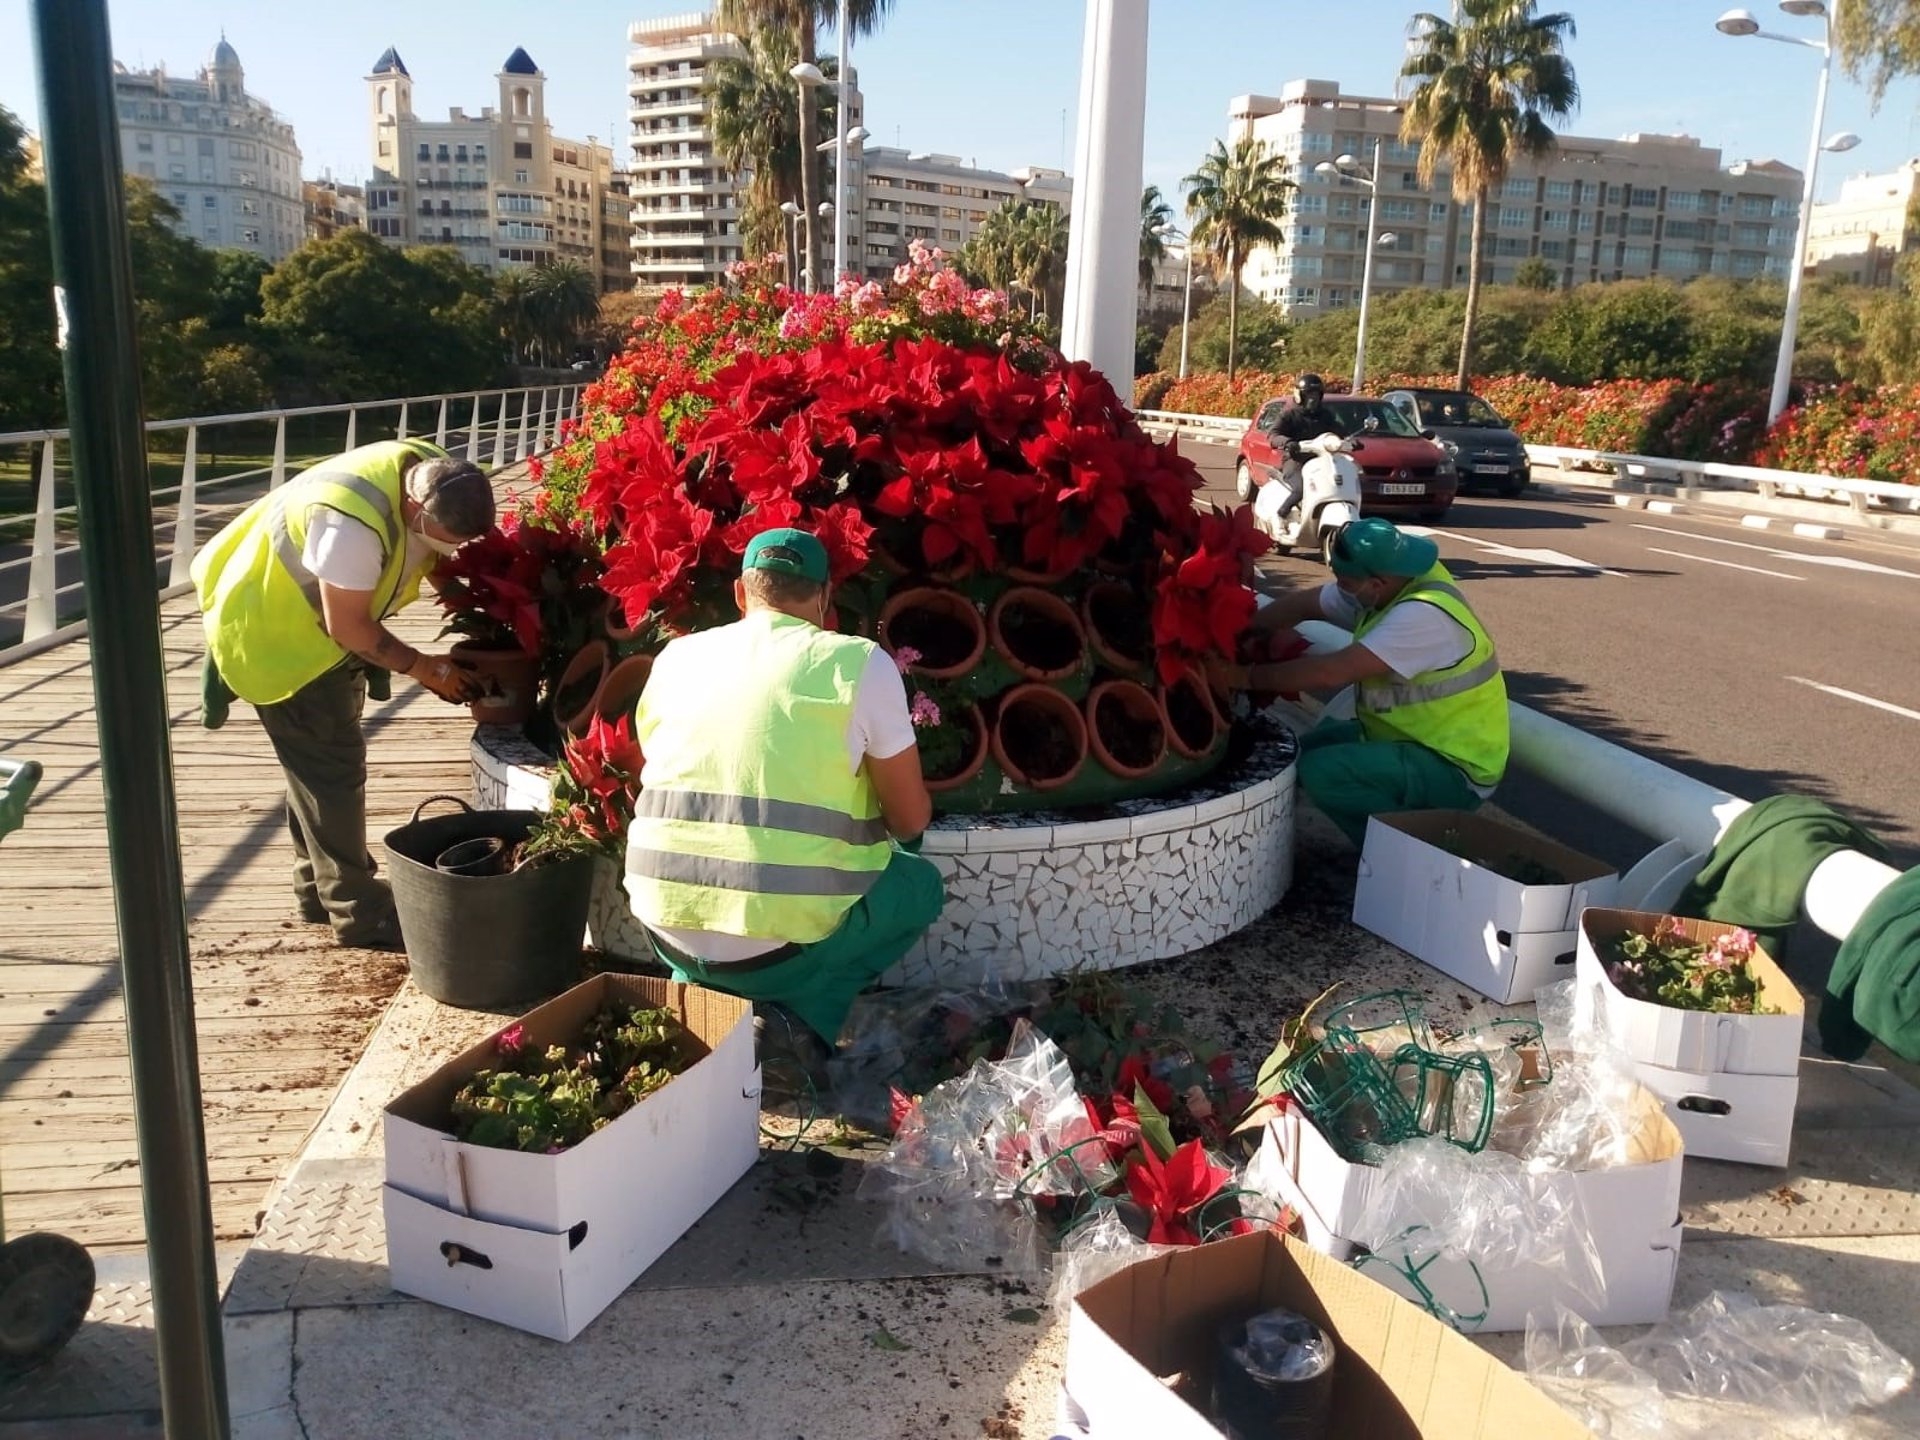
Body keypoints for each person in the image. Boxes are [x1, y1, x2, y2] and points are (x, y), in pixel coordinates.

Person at [623, 527, 946, 1046]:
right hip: (778, 955)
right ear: (825, 598)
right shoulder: (858, 664)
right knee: (919, 887)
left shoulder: (675, 659)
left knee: (728, 937)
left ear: (740, 593)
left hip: (661, 928)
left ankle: (698, 998)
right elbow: (910, 819)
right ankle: (801, 1019)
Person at [191, 438, 495, 950]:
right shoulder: (348, 526)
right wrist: (424, 668)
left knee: (312, 764)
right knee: (331, 767)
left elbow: (420, 560)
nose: (450, 551)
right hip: (279, 635)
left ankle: (317, 888)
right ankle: (359, 911)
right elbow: (349, 627)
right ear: (416, 509)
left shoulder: (434, 472)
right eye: (444, 540)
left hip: (313, 626)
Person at [1215, 517, 1508, 847]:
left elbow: (1330, 673)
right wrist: (1239, 634)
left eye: (1345, 582)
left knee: (1321, 772)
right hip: (1409, 740)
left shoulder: (1424, 615)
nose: (1340, 588)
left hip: (1455, 768)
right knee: (1292, 758)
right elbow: (1305, 605)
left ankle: (1409, 851)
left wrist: (1242, 677)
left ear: (1376, 584)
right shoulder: (1393, 578)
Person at [1263, 373, 1335, 524]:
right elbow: (1273, 434)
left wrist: (1352, 441)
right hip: (1295, 461)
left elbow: (1340, 432)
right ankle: (1281, 514)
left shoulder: (1326, 416)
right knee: (1301, 488)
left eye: (1315, 394)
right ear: (1300, 395)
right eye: (1309, 394)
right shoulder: (1289, 415)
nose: (1312, 398)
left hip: (1320, 462)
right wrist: (1288, 442)